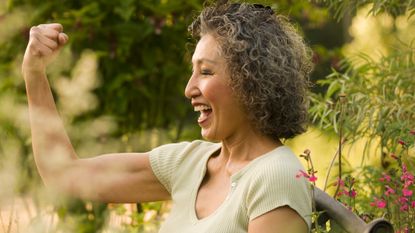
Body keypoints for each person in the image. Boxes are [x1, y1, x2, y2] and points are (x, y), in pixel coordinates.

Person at [22, 1, 313, 233]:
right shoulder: (189, 164)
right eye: (193, 71)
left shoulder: (276, 178)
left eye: (206, 72)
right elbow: (65, 176)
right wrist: (34, 74)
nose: (189, 89)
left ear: (251, 81)